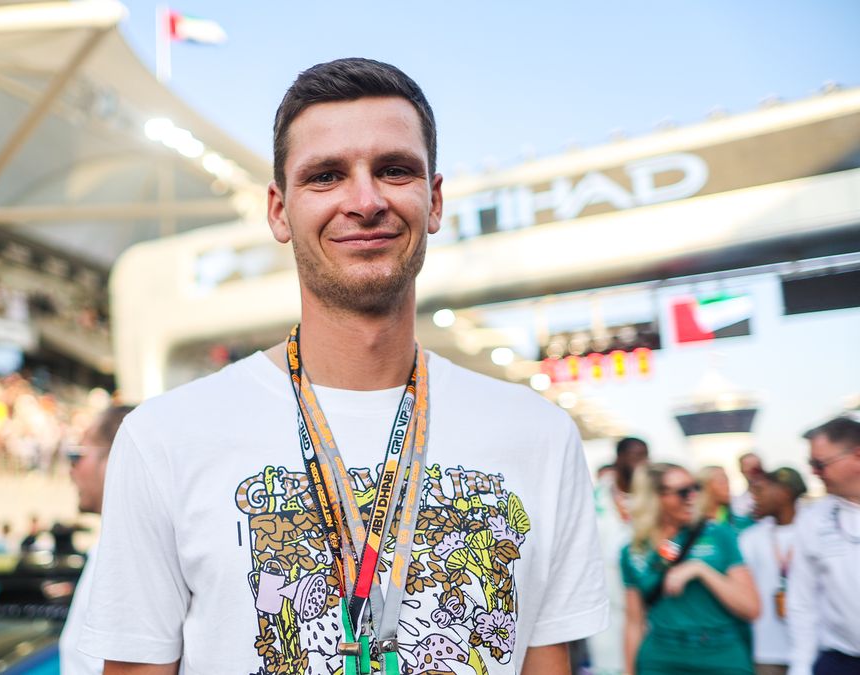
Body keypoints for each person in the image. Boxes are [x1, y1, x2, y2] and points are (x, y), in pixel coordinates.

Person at [79, 58, 608, 675]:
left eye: (394, 170)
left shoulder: (539, 436)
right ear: (279, 210)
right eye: (326, 176)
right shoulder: (164, 438)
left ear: (433, 201)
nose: (365, 201)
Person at [621, 462, 760, 675]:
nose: (693, 496)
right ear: (655, 497)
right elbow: (634, 623)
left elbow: (751, 608)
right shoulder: (634, 551)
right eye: (683, 492)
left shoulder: (718, 534)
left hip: (720, 653)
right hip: (662, 657)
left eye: (695, 488)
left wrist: (701, 570)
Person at [59, 405, 134, 675]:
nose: (71, 470)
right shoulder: (116, 548)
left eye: (77, 455)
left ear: (115, 459)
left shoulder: (129, 556)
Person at [787, 417, 860, 675]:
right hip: (841, 662)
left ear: (858, 456)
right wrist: (800, 667)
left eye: (820, 464)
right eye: (811, 464)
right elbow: (802, 601)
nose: (814, 473)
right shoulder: (813, 519)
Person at [589, 437, 650, 675]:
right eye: (635, 456)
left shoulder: (655, 497)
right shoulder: (594, 497)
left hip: (647, 604)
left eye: (645, 456)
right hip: (605, 606)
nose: (641, 462)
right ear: (619, 458)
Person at [739, 467, 807, 675]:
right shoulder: (750, 538)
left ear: (783, 493)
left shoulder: (814, 532)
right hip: (764, 651)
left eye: (760, 491)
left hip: (813, 646)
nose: (753, 498)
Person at [700, 465, 753, 532]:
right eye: (722, 481)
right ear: (706, 487)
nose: (728, 486)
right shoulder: (694, 525)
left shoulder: (741, 520)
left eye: (727, 480)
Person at [734, 453, 766, 519]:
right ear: (742, 471)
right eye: (749, 467)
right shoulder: (736, 502)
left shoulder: (777, 497)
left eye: (757, 466)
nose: (755, 472)